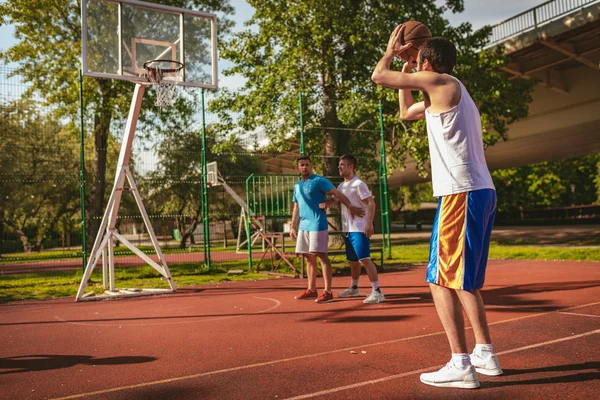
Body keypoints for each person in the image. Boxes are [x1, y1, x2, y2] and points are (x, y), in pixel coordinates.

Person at [372, 26, 503, 389]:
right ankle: (485, 353)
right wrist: (408, 72)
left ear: (427, 64)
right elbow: (404, 113)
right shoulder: (447, 91)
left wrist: (391, 50)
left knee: (438, 279)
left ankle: (461, 363)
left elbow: (379, 76)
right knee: (465, 281)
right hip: (477, 191)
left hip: (462, 193)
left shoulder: (442, 83)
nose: (412, 68)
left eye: (416, 64)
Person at [290, 156, 364, 304]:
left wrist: (350, 206)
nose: (304, 167)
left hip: (317, 224)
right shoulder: (297, 186)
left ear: (311, 166)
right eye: (302, 165)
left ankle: (328, 291)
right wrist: (293, 225)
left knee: (322, 256)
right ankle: (311, 289)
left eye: (307, 165)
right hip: (303, 226)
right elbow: (296, 206)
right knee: (308, 257)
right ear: (298, 168)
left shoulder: (319, 181)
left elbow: (337, 194)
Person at [321, 154, 384, 304]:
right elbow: (333, 201)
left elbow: (370, 203)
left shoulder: (359, 184)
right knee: (353, 260)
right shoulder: (341, 186)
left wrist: (369, 223)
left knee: (364, 259)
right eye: (339, 165)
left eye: (342, 165)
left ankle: (377, 291)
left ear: (351, 167)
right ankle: (354, 288)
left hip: (359, 228)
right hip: (348, 228)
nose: (339, 167)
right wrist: (320, 203)